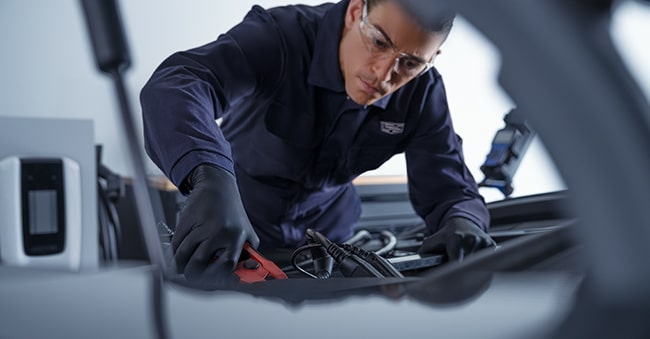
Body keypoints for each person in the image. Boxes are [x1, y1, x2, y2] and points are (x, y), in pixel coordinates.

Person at [140, 0, 496, 283]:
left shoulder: (422, 93)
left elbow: (449, 183)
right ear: (357, 11)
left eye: (410, 64)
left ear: (431, 60)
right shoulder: (280, 37)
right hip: (233, 236)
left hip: (331, 249)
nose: (384, 74)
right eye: (378, 43)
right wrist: (209, 176)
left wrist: (462, 221)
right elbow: (179, 83)